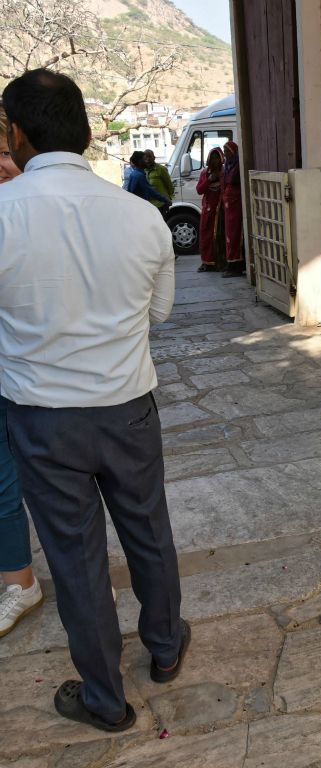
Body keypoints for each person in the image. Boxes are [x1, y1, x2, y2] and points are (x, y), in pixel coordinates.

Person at [0, 69, 189, 732]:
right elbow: (159, 314)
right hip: (126, 407)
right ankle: (165, 649)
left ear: (16, 133)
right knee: (148, 531)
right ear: (82, 131)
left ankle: (106, 699)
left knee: (76, 558)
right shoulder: (142, 216)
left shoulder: (2, 214)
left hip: (42, 419)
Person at [0, 105, 43, 638]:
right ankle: (20, 582)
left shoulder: (32, 213)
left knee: (69, 479)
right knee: (4, 483)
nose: (2, 167)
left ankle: (84, 572)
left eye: (7, 155)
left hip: (39, 372)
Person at [196, 146, 227, 273]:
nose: (214, 161)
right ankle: (207, 262)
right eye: (212, 158)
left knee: (220, 236)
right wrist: (209, 180)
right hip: (208, 210)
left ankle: (219, 263)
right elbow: (199, 190)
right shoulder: (205, 173)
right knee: (205, 235)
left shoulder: (224, 173)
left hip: (221, 211)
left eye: (217, 158)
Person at [221, 140, 245, 277]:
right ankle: (231, 262)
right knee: (229, 235)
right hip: (228, 205)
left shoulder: (237, 166)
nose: (225, 155)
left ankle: (236, 265)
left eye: (227, 152)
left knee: (235, 234)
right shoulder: (227, 166)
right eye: (224, 152)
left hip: (236, 205)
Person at [143, 148, 174, 219]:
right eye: (145, 157)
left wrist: (169, 199)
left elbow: (169, 185)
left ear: (154, 157)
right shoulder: (143, 171)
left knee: (162, 226)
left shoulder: (161, 169)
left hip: (161, 204)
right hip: (149, 205)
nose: (147, 159)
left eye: (149, 156)